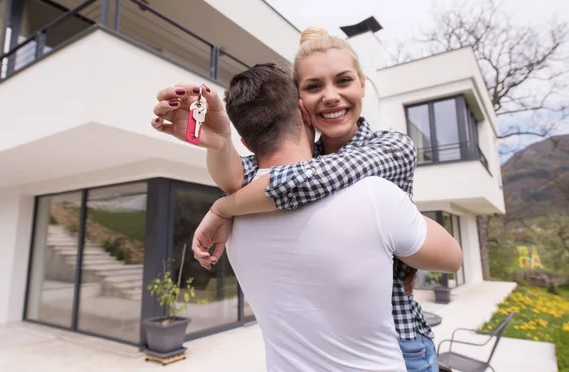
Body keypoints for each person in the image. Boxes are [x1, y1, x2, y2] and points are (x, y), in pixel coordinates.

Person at [152, 27, 448, 371]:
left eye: (343, 80)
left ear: (363, 84)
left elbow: (305, 180)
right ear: (300, 105)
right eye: (313, 86)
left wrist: (224, 207)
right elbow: (239, 177)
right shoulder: (304, 158)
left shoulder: (392, 147)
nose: (331, 96)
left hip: (401, 338)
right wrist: (220, 141)